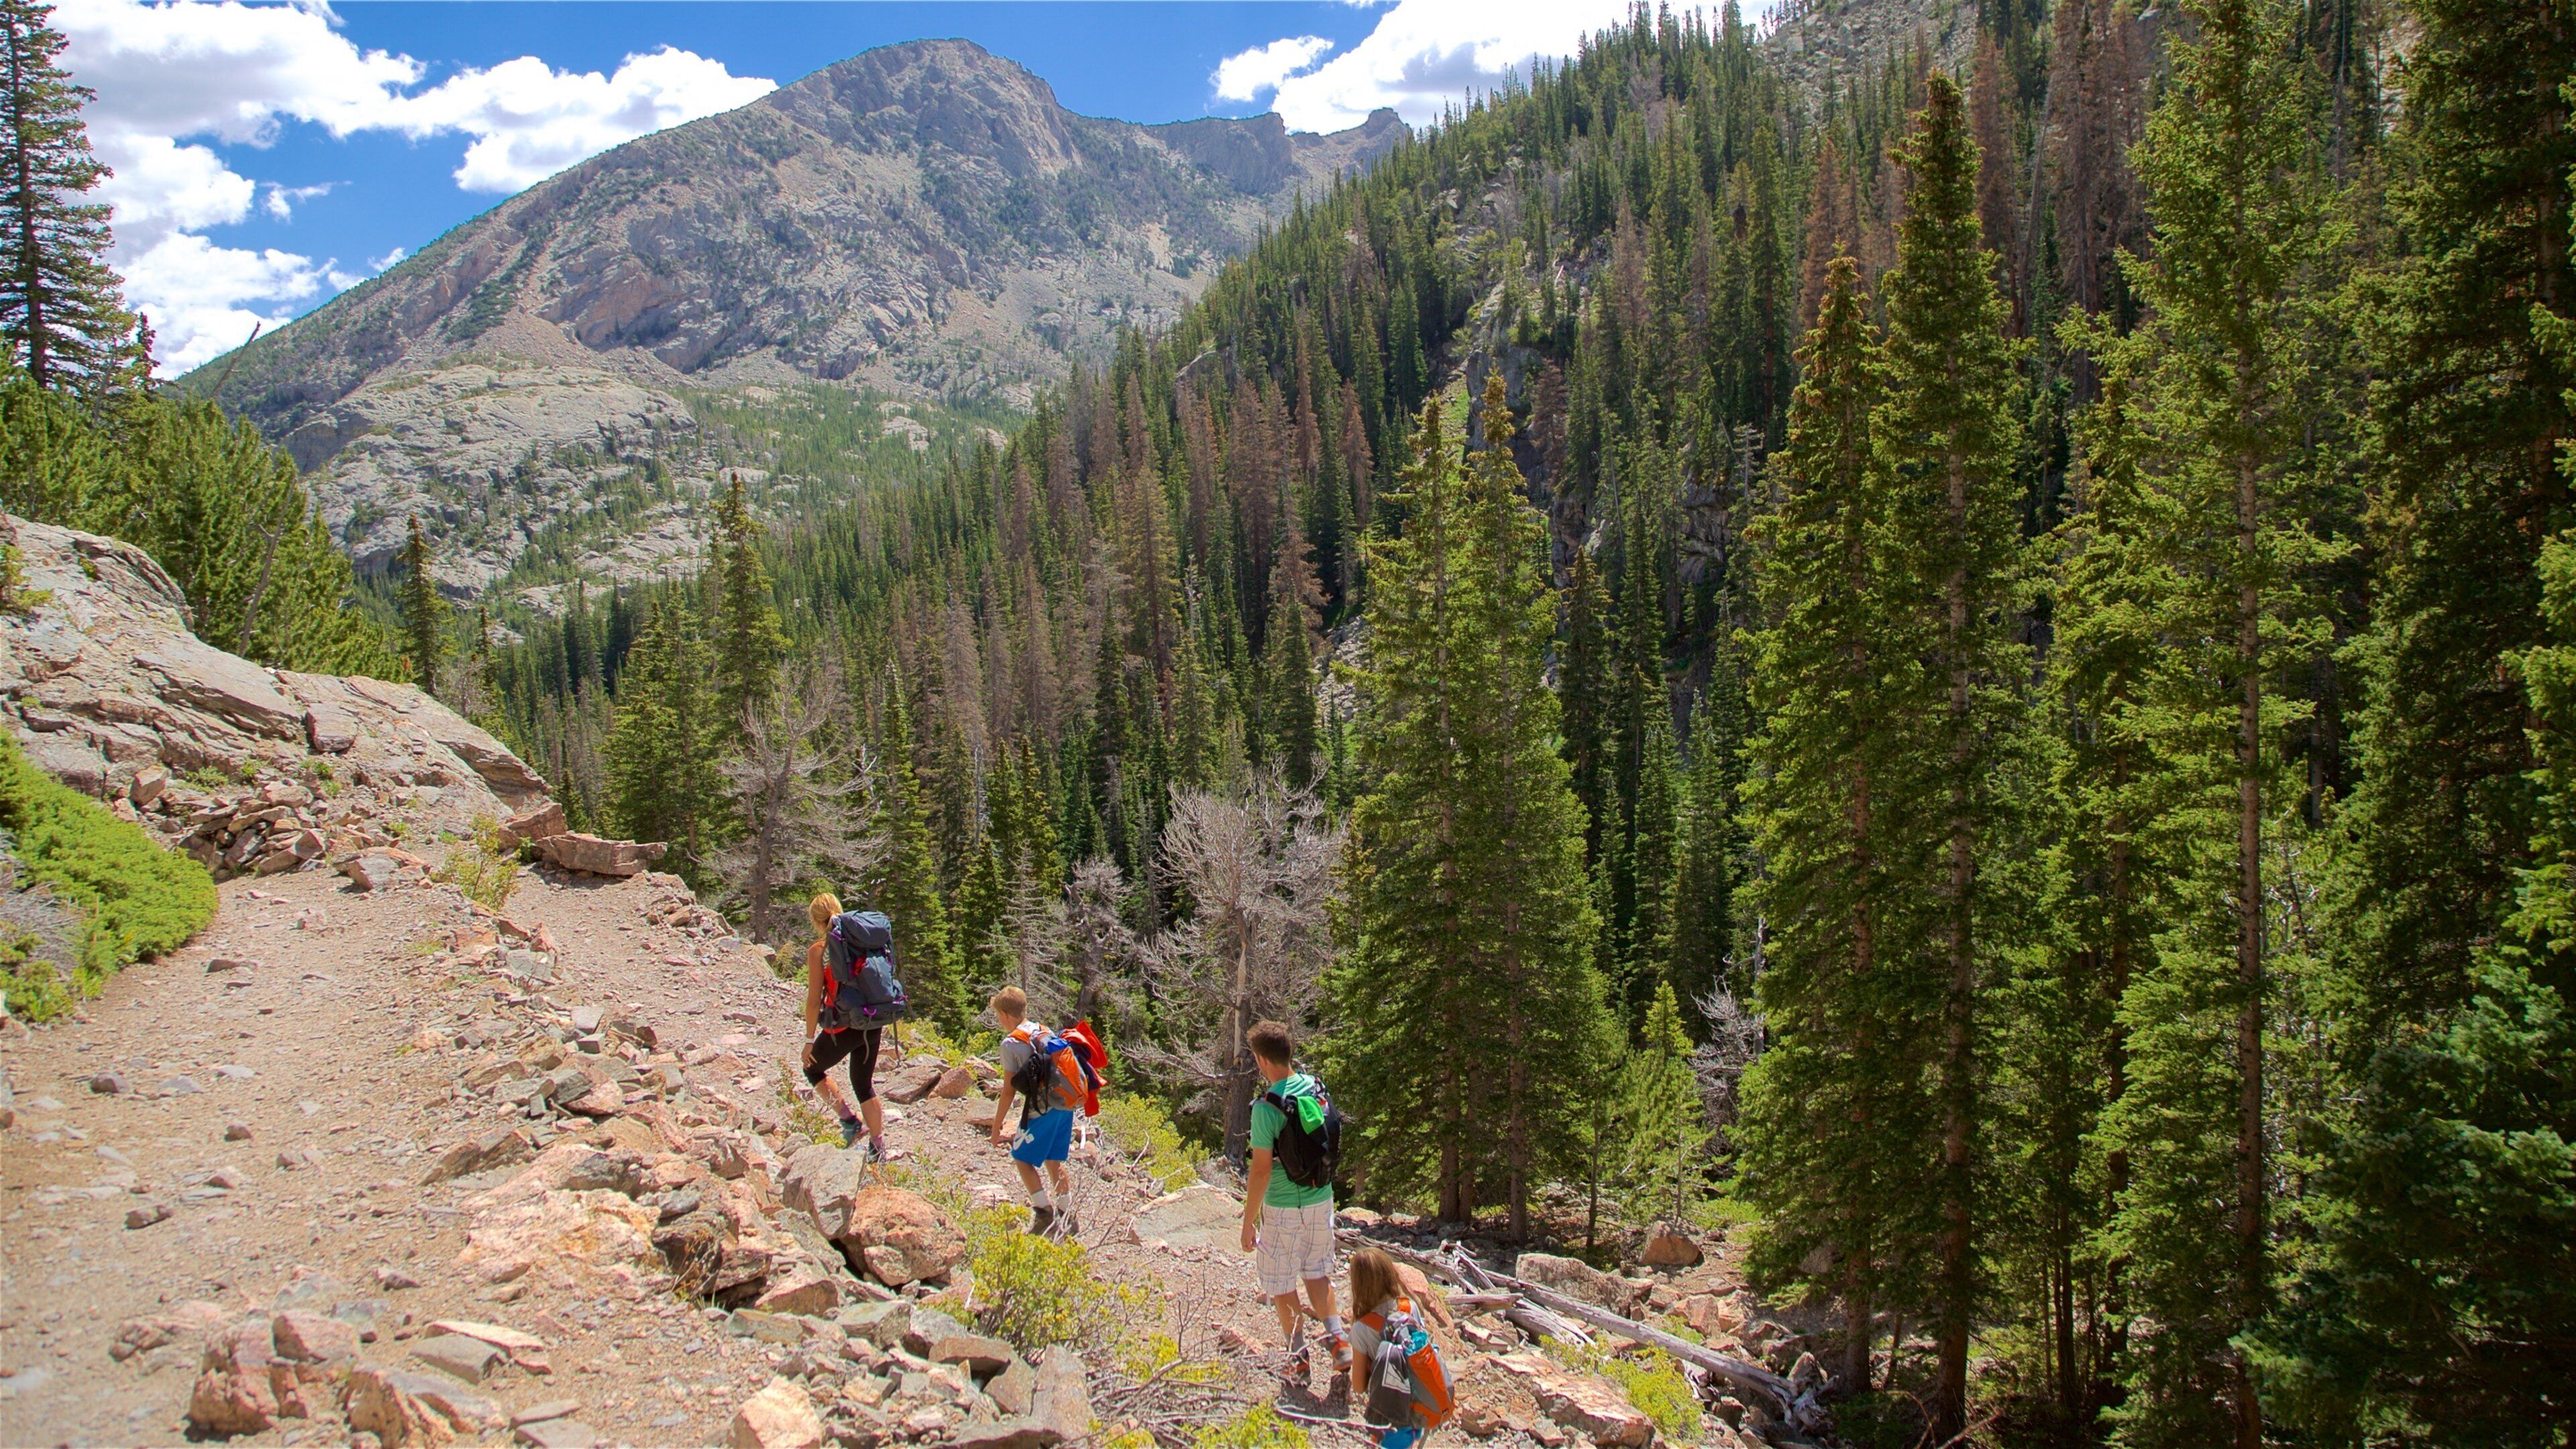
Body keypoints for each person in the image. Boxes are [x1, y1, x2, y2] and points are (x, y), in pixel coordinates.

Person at [1239, 1020, 1345, 1392]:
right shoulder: (1314, 1086)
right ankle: (1338, 1342)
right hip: (1322, 1196)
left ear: (1263, 1061)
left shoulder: (1265, 1108)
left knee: (1282, 1282)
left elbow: (1261, 1171)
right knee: (1317, 1272)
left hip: (1284, 1205)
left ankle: (1298, 1360)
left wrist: (1248, 1220)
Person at [799, 892, 898, 1162]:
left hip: (843, 1025)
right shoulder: (862, 942)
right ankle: (878, 1149)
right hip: (872, 1019)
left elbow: (813, 1000)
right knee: (863, 1084)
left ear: (816, 922)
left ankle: (850, 1122)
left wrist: (809, 1039)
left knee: (812, 1067)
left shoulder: (820, 949)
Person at [986, 987, 1078, 1235]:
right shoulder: (1042, 1029)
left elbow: (1008, 1091)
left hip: (1042, 1107)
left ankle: (1043, 1215)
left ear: (1005, 1015)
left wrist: (996, 1128)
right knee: (1053, 1160)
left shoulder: (1011, 1044)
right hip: (1065, 1103)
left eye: (998, 1015)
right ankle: (1067, 1216)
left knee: (1021, 1157)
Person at [1346, 1247, 1426, 1449]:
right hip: (1419, 1406)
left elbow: (1359, 1386)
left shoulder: (1361, 1328)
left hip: (1388, 1414)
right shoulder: (1410, 1307)